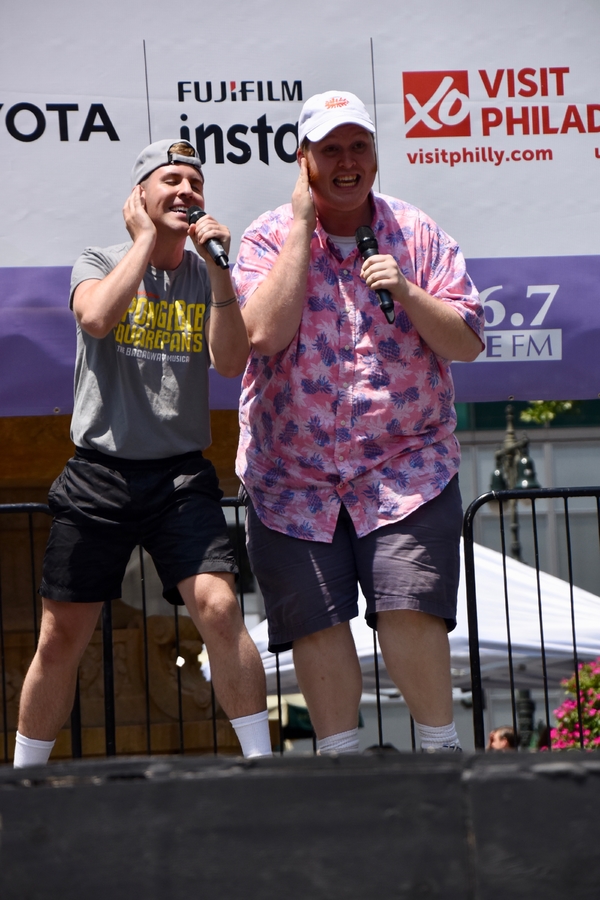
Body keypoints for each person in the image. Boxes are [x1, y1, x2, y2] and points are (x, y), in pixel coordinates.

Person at [233, 91, 484, 754]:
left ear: (375, 154)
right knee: (316, 623)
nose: (347, 161)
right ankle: (342, 770)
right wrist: (298, 230)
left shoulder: (418, 232)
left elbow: (465, 340)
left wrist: (403, 288)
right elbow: (261, 334)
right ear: (303, 160)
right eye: (330, 149)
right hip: (291, 481)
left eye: (359, 146)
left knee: (409, 605)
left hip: (406, 470)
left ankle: (439, 754)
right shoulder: (265, 236)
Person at [14, 139, 271, 767]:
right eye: (171, 180)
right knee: (62, 633)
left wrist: (218, 270)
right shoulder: (97, 258)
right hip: (99, 472)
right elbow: (98, 319)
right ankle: (22, 784)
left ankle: (268, 767)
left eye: (195, 183)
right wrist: (139, 244)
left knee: (219, 604)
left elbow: (232, 360)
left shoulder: (207, 272)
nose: (186, 191)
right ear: (140, 195)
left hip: (180, 476)